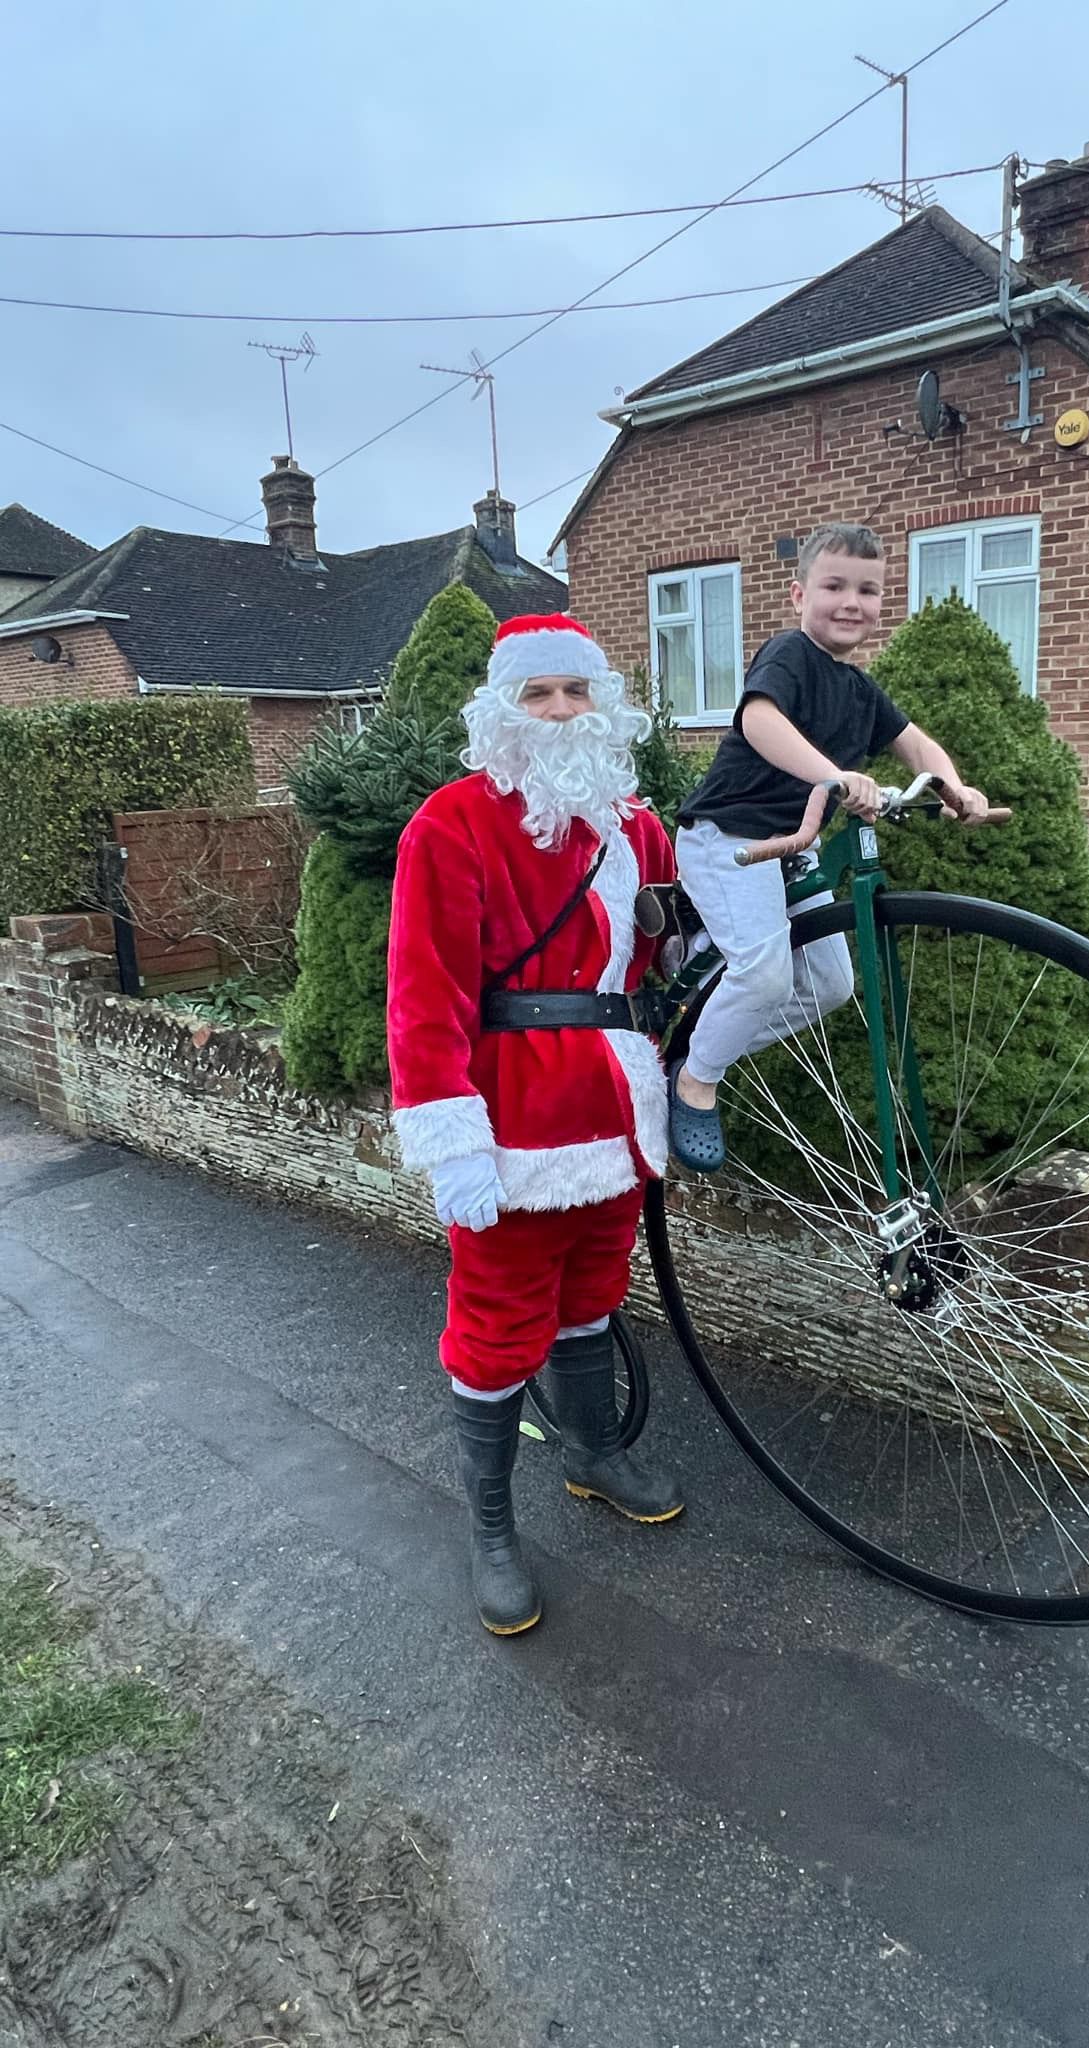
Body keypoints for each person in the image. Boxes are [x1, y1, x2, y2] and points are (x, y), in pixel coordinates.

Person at [387, 612, 682, 1639]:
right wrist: (452, 1136)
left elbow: (656, 963)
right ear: (503, 710)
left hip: (613, 1106)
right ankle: (493, 1526)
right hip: (510, 1119)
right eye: (538, 693)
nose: (561, 710)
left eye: (576, 691)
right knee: (498, 1326)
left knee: (594, 1291)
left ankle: (594, 1453)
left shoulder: (635, 826)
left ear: (605, 703)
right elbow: (424, 997)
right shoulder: (452, 822)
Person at [669, 522, 991, 1170]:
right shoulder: (790, 654)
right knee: (763, 974)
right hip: (730, 838)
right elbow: (759, 720)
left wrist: (954, 785)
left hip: (794, 847)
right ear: (798, 594)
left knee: (831, 984)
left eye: (868, 590)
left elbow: (917, 743)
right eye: (834, 585)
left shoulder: (859, 689)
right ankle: (693, 1081)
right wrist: (835, 774)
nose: (851, 602)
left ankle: (701, 1037)